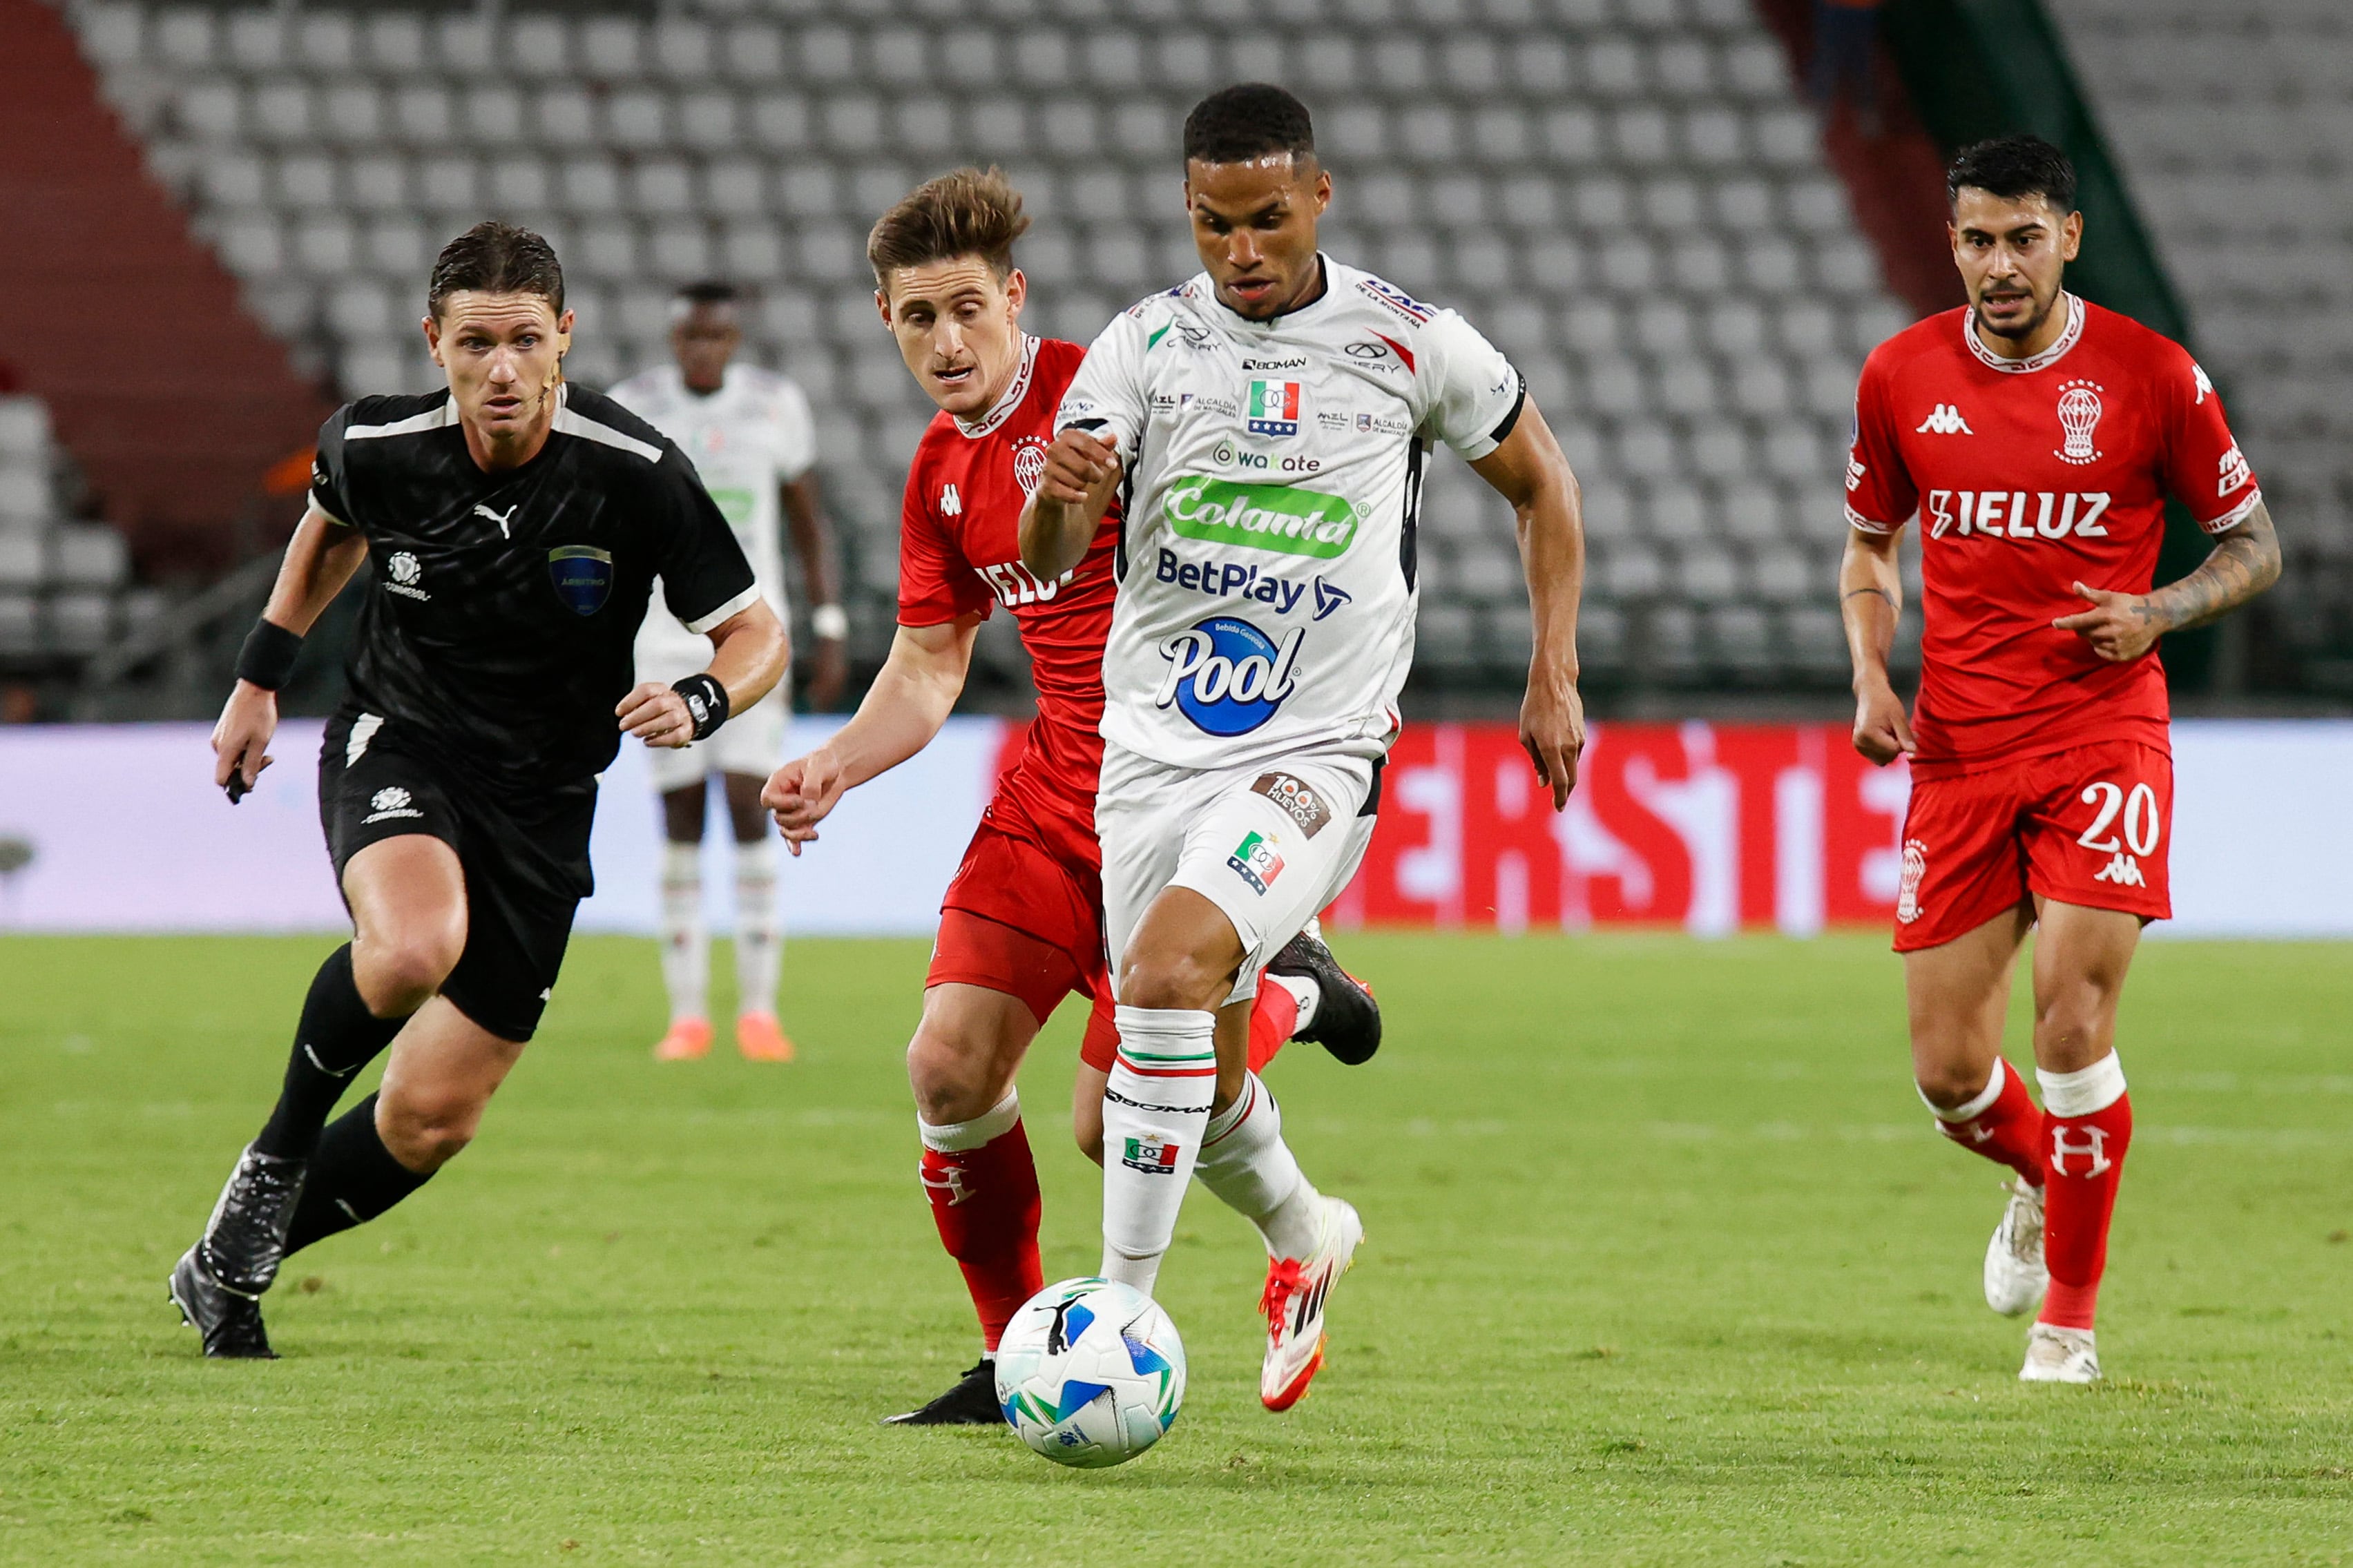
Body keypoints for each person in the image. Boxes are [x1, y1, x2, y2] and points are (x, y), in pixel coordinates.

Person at [764, 167, 1381, 1425]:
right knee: (946, 1067)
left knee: (1120, 1126)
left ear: (1017, 299)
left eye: (968, 309)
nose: (946, 340)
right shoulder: (940, 470)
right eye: (917, 317)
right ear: (884, 321)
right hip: (1055, 796)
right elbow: (931, 664)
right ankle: (1015, 1360)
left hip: (1188, 797)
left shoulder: (1116, 391)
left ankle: (1298, 988)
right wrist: (836, 759)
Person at [1021, 86, 1588, 1409]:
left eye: (1268, 219)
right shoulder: (1142, 346)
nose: (1243, 250)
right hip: (1152, 753)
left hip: (1321, 751)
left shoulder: (1409, 343)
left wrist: (1550, 665)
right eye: (1215, 225)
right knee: (1163, 1100)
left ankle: (1116, 1328)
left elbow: (1542, 484)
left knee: (1162, 975)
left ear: (1318, 198)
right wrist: (1059, 508)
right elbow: (1045, 568)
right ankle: (1305, 1231)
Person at [172, 222, 787, 1358]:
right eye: (473, 344)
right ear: (434, 342)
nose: (499, 370)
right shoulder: (378, 441)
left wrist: (703, 701)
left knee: (430, 1118)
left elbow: (754, 633)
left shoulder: (636, 471)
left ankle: (222, 1266)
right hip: (403, 741)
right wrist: (258, 680)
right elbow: (330, 528)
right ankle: (275, 1155)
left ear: (563, 338)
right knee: (413, 946)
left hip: (547, 797)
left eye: (521, 341)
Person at [1840, 135, 2280, 1383]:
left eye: (2022, 237)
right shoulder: (1899, 376)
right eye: (1976, 239)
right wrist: (1872, 674)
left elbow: (2253, 545)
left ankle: (2067, 1325)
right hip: (1958, 749)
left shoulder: (2151, 376)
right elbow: (1869, 549)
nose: (1998, 264)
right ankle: (2045, 1178)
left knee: (2073, 1026)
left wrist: (2158, 612)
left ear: (2068, 238)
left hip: (2103, 735)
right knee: (1946, 1074)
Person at [609, 280, 847, 1065]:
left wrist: (828, 622)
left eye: (715, 336)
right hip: (659, 644)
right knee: (678, 820)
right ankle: (686, 1015)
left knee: (750, 808)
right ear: (675, 338)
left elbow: (806, 520)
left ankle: (757, 1010)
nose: (702, 348)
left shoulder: (776, 405)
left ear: (732, 340)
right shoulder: (633, 407)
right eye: (690, 336)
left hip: (752, 640)